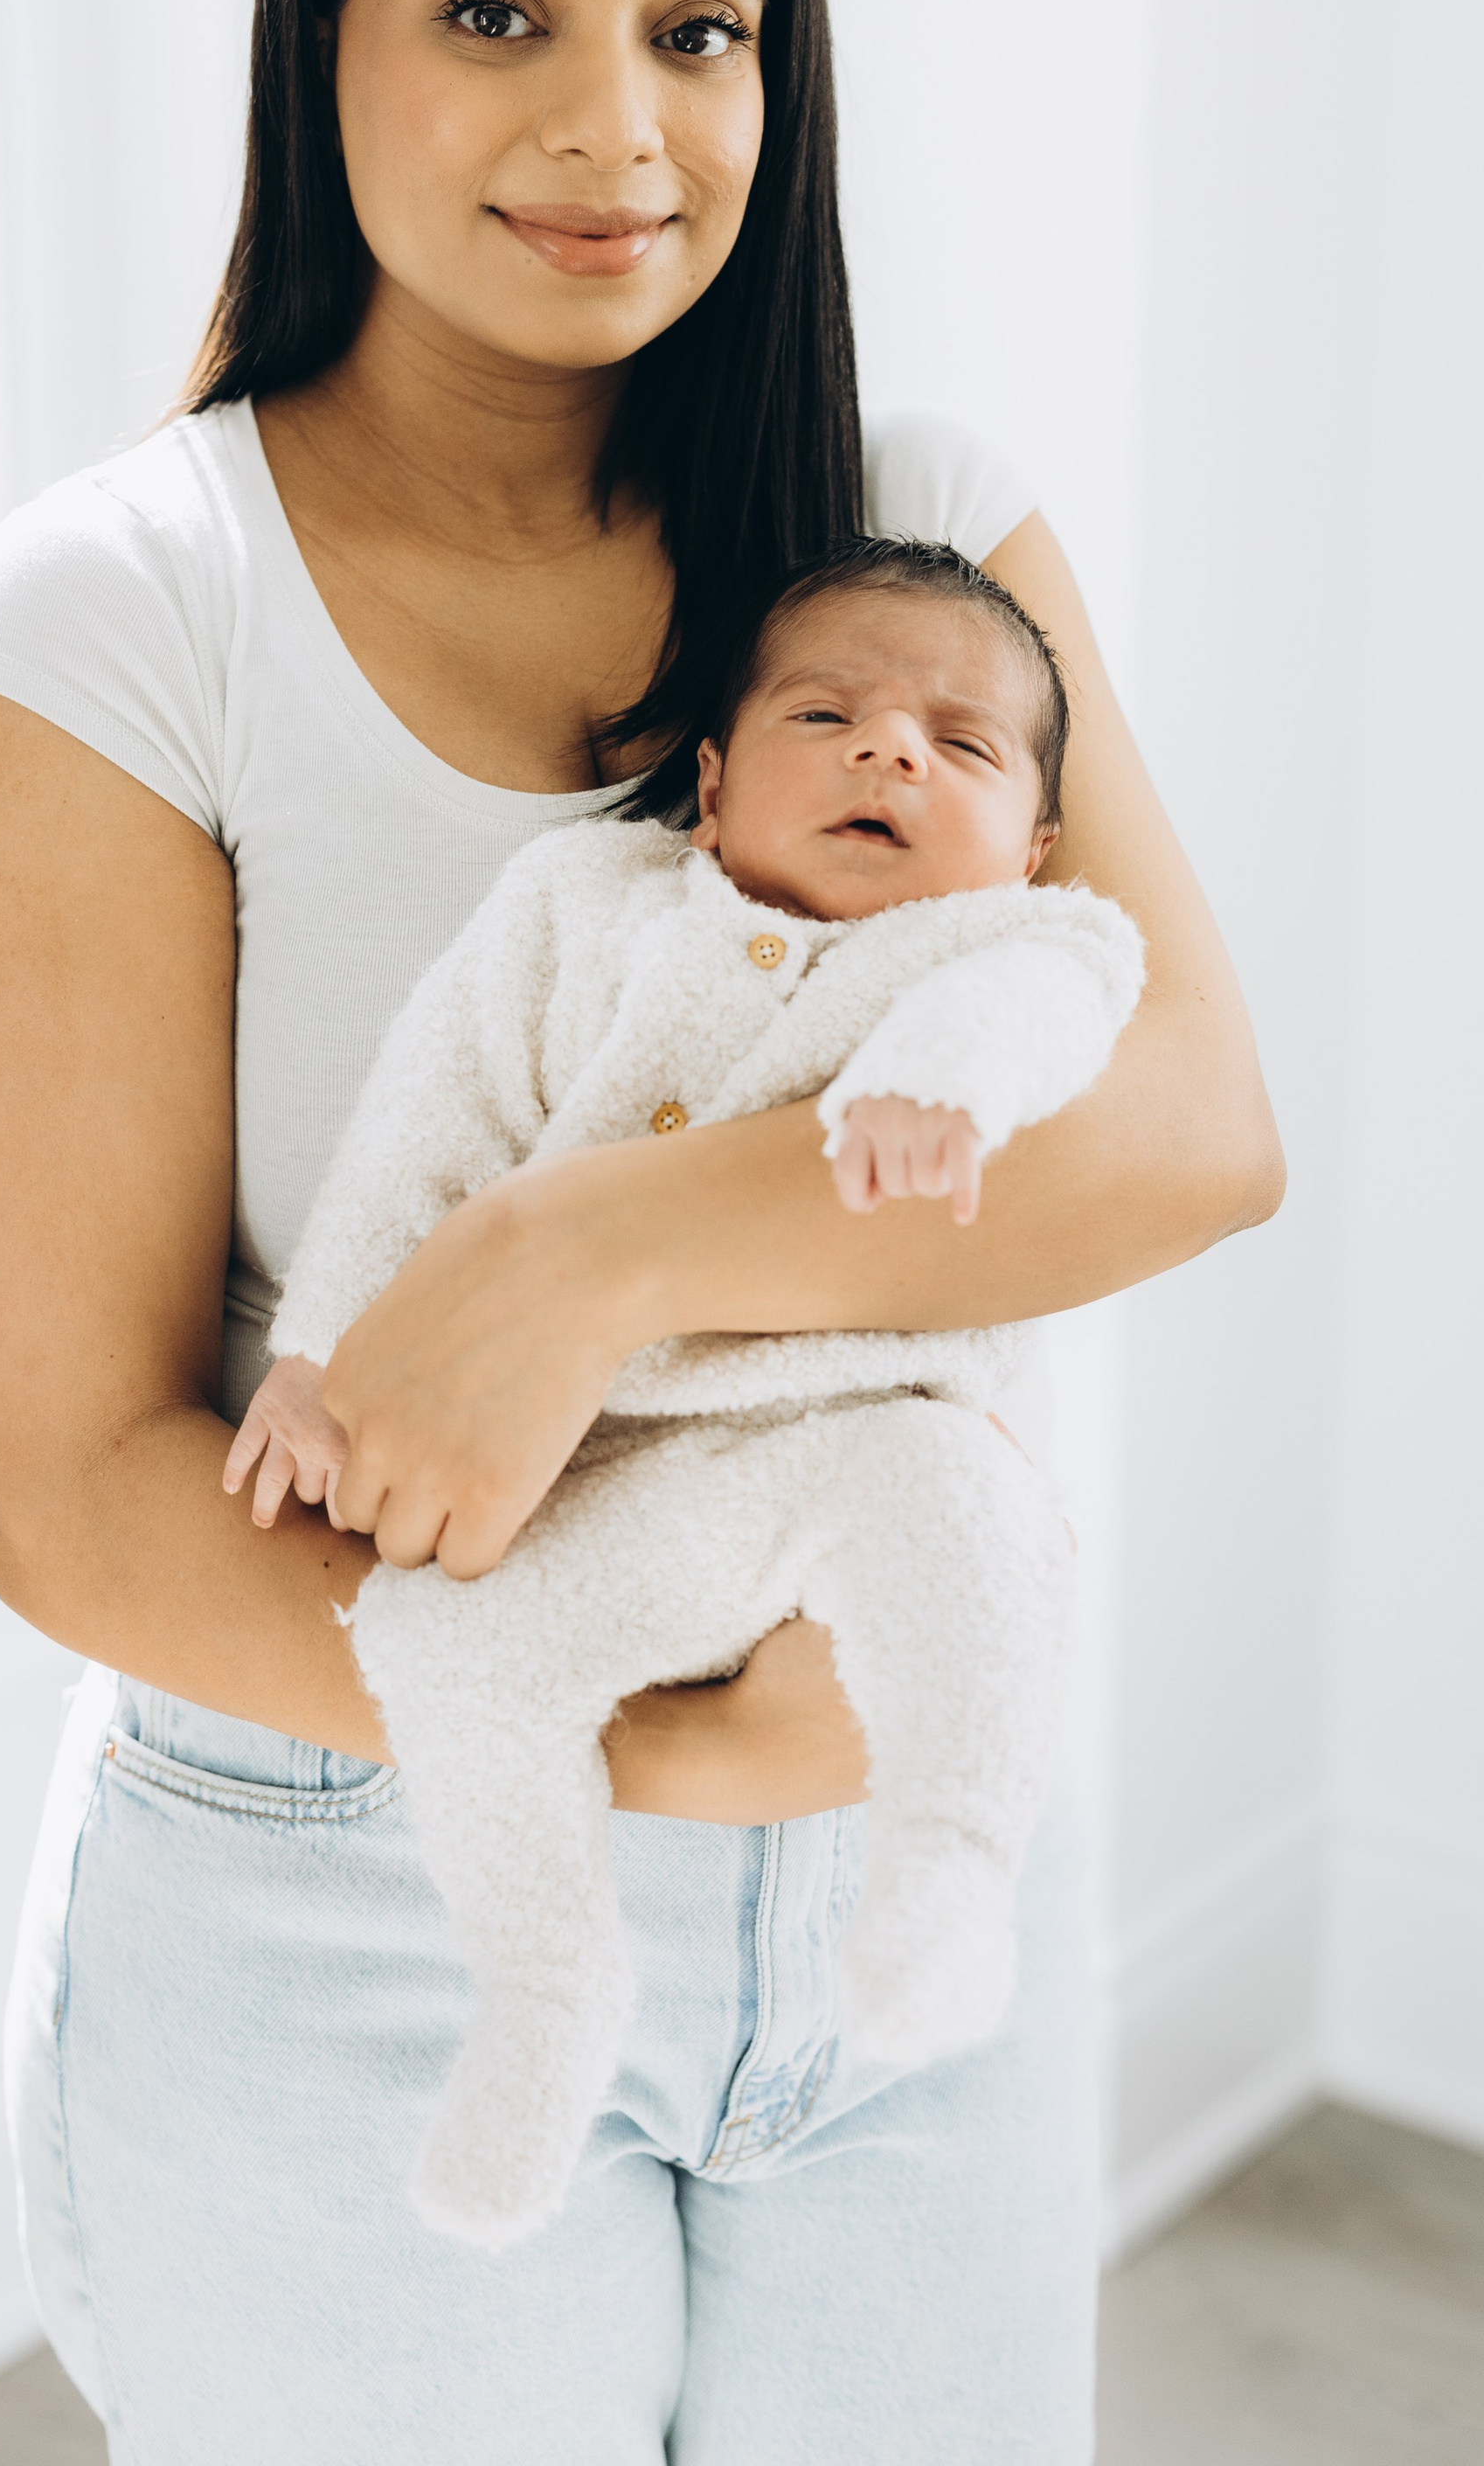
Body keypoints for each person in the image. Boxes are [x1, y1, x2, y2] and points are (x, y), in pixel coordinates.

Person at [0, 0, 1282, 2463]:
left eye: (703, 26)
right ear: (326, 47)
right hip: (361, 1891)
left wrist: (592, 1239)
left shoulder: (912, 521)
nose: (614, 126)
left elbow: (1183, 1126)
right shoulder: (125, 622)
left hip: (909, 1875)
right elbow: (77, 1501)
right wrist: (655, 1739)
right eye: (498, 10)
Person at [225, 538, 1145, 2253]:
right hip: (616, 1480)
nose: (890, 752)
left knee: (971, 1515)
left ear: (1025, 842)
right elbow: (428, 1135)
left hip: (859, 1433)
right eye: (827, 713)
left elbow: (1049, 1005)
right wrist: (317, 1359)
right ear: (709, 784)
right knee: (442, 1648)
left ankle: (949, 1864)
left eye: (959, 745)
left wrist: (937, 1082)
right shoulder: (576, 912)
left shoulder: (1005, 949)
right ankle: (543, 1985)